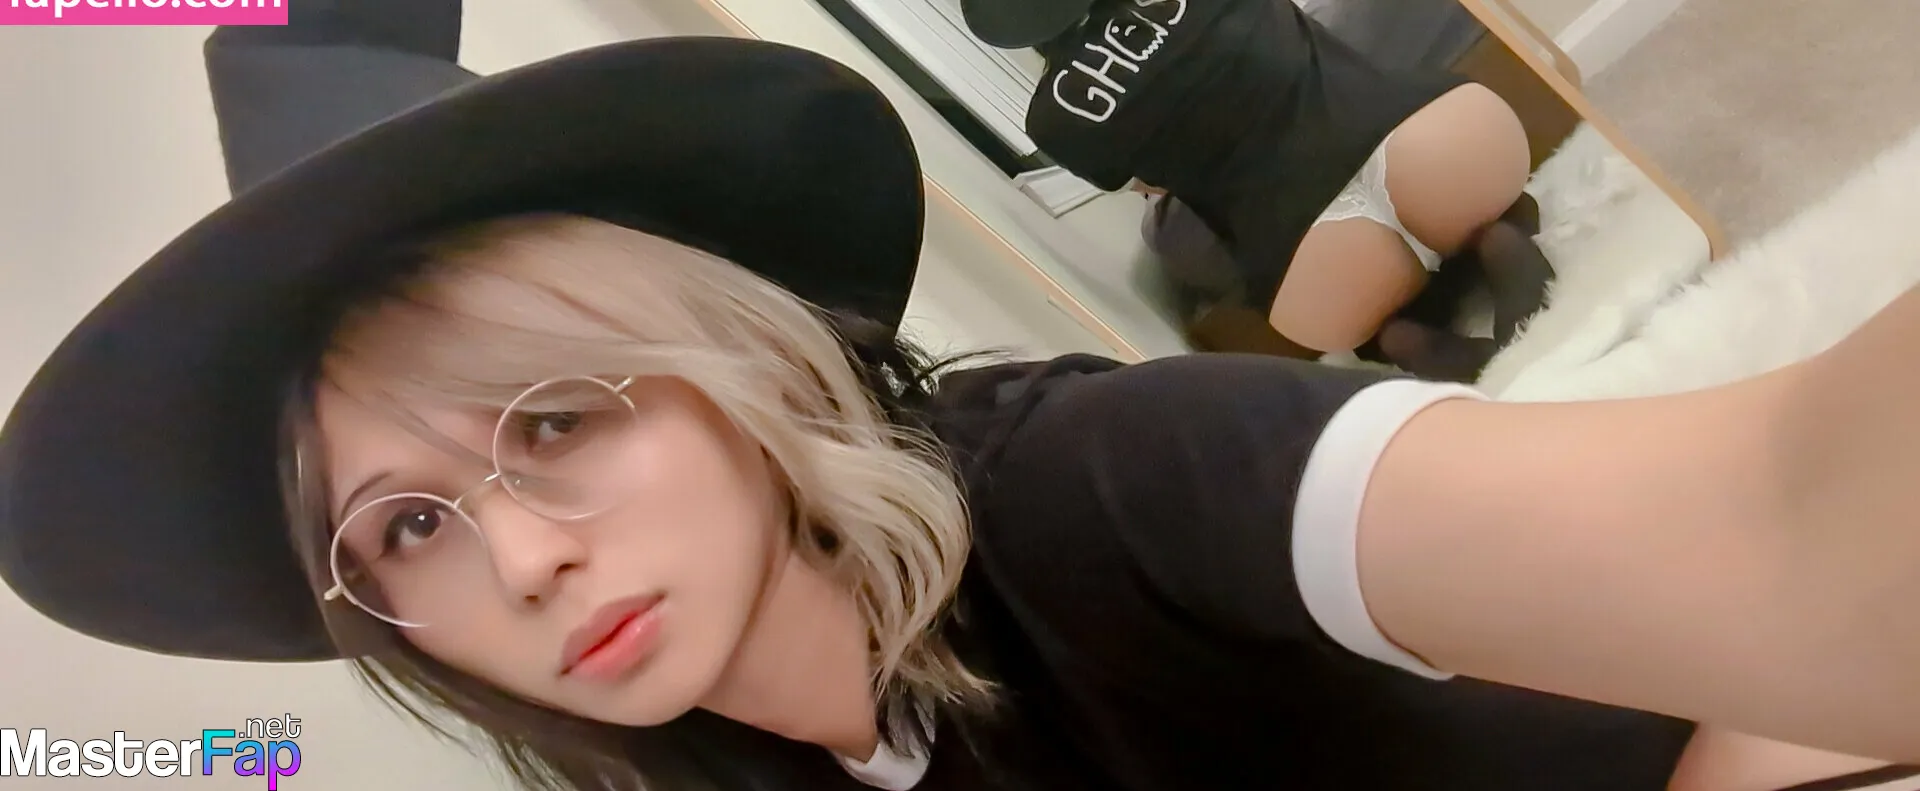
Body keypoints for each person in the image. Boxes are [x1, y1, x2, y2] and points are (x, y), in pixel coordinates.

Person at [2, 4, 1919, 790]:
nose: (518, 557)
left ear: (732, 358)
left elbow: (1797, 552)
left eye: (557, 419)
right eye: (409, 524)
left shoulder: (1101, 484)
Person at [960, 0, 1556, 379]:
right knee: (1454, 173)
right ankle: (1494, 234)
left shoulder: (1056, 120)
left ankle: (1401, 334)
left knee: (1339, 296)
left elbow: (1153, 186)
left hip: (1319, 265)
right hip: (1439, 145)